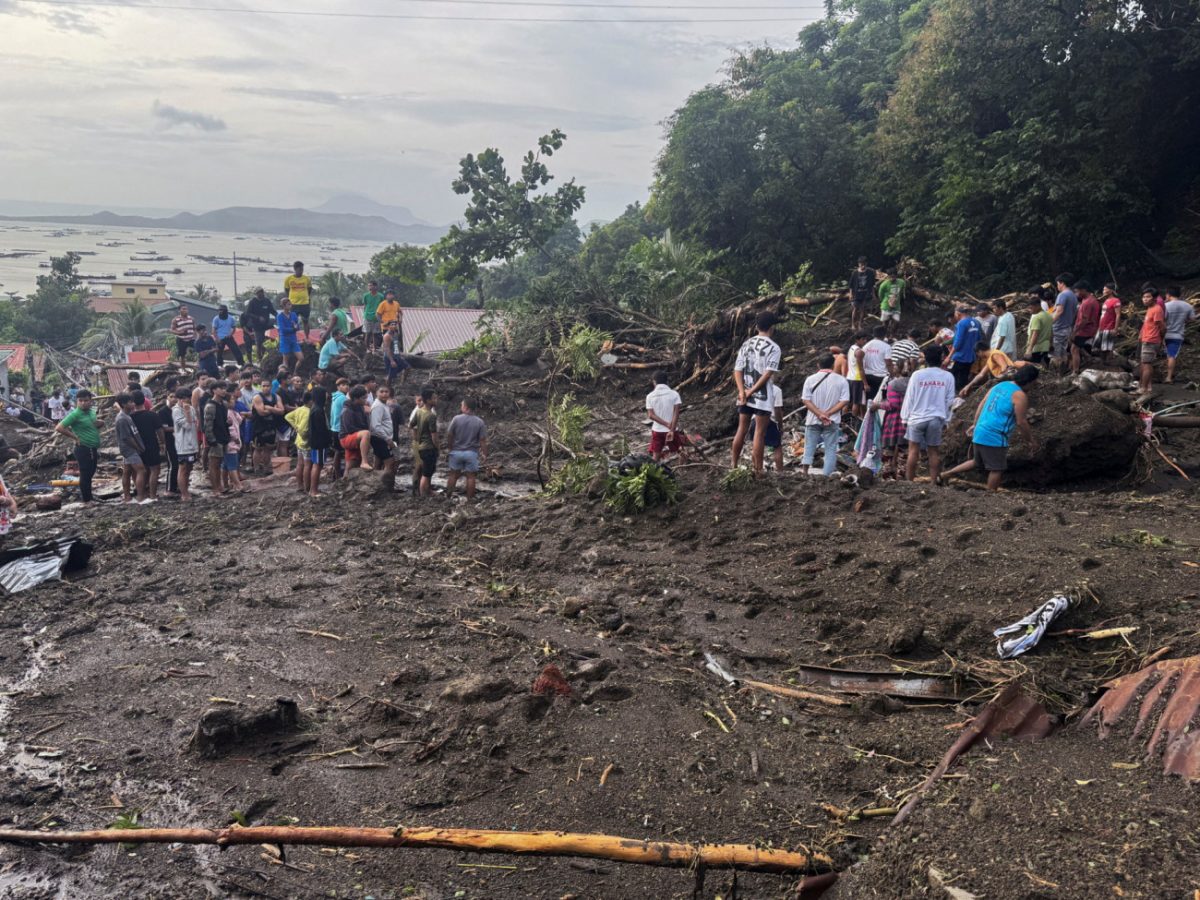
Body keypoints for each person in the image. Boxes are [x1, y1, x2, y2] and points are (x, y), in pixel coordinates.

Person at [942, 365, 1039, 491]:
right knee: (997, 469)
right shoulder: (1019, 396)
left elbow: (982, 404)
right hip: (995, 435)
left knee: (977, 462)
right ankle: (989, 496)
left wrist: (976, 424)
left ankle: (945, 474)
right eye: (1035, 381)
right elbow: (1021, 422)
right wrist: (1030, 441)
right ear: (1030, 380)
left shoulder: (1000, 385)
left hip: (981, 430)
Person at [731, 312, 781, 476]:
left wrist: (742, 391)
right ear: (772, 327)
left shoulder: (746, 344)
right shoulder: (774, 347)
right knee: (759, 433)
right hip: (762, 397)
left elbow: (737, 370)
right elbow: (767, 375)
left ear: (757, 327)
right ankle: (758, 470)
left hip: (744, 394)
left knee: (741, 429)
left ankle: (733, 464)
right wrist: (752, 391)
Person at [902, 346, 955, 484]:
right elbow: (950, 401)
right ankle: (933, 483)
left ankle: (909, 481)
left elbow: (909, 398)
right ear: (942, 358)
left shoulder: (917, 375)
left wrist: (905, 418)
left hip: (916, 418)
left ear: (925, 359)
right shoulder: (948, 376)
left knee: (913, 451)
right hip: (936, 418)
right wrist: (947, 420)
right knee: (933, 451)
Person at [799, 354, 850, 477]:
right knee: (831, 448)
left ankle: (805, 472)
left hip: (813, 419)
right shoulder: (841, 380)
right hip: (832, 420)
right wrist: (828, 414)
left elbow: (806, 400)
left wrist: (819, 414)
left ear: (818, 365)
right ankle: (827, 476)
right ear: (833, 365)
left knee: (809, 446)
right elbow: (845, 400)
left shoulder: (810, 379)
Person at [56, 389, 101, 503]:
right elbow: (59, 427)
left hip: (92, 447)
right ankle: (87, 500)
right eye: (80, 401)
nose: (83, 403)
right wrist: (75, 437)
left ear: (90, 401)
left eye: (86, 400)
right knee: (85, 474)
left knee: (91, 473)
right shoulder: (75, 414)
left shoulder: (91, 412)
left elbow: (93, 424)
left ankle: (89, 496)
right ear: (76, 401)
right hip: (83, 448)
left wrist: (100, 423)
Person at [445, 397, 489, 501]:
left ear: (466, 407)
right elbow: (482, 440)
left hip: (456, 452)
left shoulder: (456, 419)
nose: (461, 407)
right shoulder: (480, 422)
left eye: (461, 405)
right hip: (471, 453)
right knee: (471, 477)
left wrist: (450, 448)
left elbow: (450, 435)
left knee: (453, 476)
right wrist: (485, 454)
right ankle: (469, 500)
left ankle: (448, 497)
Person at [872, 371, 908, 479]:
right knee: (904, 451)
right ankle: (901, 477)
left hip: (893, 422)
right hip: (906, 422)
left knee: (888, 450)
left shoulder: (893, 384)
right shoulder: (914, 383)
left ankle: (887, 477)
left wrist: (877, 405)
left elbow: (892, 404)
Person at [115, 393, 150, 504]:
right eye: (131, 402)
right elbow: (127, 438)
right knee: (141, 470)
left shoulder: (126, 416)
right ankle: (140, 497)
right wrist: (138, 447)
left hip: (128, 449)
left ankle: (127, 497)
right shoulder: (122, 419)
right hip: (129, 449)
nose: (133, 404)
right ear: (124, 404)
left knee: (127, 472)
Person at [130, 389, 163, 500]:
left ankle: (141, 495)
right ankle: (153, 495)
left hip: (137, 447)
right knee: (154, 470)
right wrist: (163, 443)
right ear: (144, 400)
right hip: (152, 445)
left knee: (141, 471)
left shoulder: (130, 418)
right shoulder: (152, 415)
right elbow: (159, 431)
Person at [203, 380, 231, 497]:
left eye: (225, 388)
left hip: (223, 437)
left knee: (219, 463)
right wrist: (212, 440)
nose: (224, 390)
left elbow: (222, 421)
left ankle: (219, 486)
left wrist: (227, 423)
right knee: (214, 464)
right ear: (214, 390)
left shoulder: (223, 404)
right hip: (216, 439)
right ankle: (215, 489)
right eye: (221, 388)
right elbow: (207, 426)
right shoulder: (210, 406)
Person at [645, 372, 682, 461]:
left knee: (656, 454)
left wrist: (666, 424)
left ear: (654, 382)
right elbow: (676, 414)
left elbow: (651, 415)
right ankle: (682, 469)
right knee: (680, 450)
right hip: (672, 430)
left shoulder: (650, 396)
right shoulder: (674, 394)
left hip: (657, 431)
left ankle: (654, 471)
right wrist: (671, 429)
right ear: (667, 381)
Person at [1163, 286, 1196, 384]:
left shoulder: (1165, 306)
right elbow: (1192, 319)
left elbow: (1161, 320)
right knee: (1172, 355)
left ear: (1168, 295)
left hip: (1164, 334)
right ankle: (1169, 377)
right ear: (1179, 295)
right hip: (1177, 335)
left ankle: (1167, 375)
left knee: (1168, 355)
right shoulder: (1187, 306)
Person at [946, 306, 983, 391]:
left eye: (955, 313)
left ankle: (956, 395)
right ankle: (963, 395)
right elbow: (979, 339)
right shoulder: (976, 322)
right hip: (971, 356)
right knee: (964, 376)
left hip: (961, 356)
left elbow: (958, 342)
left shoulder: (961, 323)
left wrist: (949, 356)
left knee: (953, 377)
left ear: (958, 313)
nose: (954, 316)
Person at [172, 387, 199, 502]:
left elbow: (195, 423)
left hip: (192, 443)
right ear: (180, 399)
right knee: (183, 468)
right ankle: (184, 494)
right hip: (183, 445)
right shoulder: (176, 410)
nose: (187, 401)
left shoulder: (191, 408)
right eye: (185, 398)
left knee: (189, 467)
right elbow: (187, 426)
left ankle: (186, 489)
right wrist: (187, 412)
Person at [411, 387, 439, 496]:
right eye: (434, 398)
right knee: (426, 473)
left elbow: (411, 425)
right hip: (428, 447)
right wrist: (437, 447)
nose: (436, 400)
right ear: (428, 400)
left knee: (425, 470)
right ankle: (423, 495)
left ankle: (423, 491)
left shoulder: (419, 412)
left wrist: (418, 437)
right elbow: (434, 436)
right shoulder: (431, 415)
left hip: (421, 446)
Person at [338, 385, 374, 471]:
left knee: (351, 465)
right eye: (363, 398)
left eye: (366, 398)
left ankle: (344, 481)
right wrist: (364, 432)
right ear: (355, 398)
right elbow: (349, 429)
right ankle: (364, 462)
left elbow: (366, 424)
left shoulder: (360, 408)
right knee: (366, 433)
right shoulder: (347, 411)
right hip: (346, 438)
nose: (365, 400)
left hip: (356, 436)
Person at [1139, 287, 1167, 394]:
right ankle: (1147, 387)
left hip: (1151, 340)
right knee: (1146, 363)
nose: (1145, 299)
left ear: (1154, 298)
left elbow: (1163, 327)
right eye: (1144, 297)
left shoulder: (1157, 309)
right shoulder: (1150, 308)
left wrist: (1160, 339)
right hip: (1147, 339)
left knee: (1146, 364)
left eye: (1148, 297)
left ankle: (1143, 388)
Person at [306, 388, 333, 497]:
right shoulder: (318, 411)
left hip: (316, 442)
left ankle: (313, 489)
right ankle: (313, 491)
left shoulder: (317, 408)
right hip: (319, 443)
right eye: (325, 395)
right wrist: (328, 438)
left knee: (317, 464)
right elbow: (321, 429)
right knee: (317, 465)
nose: (327, 397)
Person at [369, 386, 398, 486]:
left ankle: (374, 484)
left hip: (381, 437)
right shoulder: (378, 406)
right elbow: (375, 426)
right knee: (390, 462)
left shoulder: (384, 405)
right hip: (380, 438)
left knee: (378, 461)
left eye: (386, 391)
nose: (384, 394)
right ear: (376, 393)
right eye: (381, 392)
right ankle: (388, 487)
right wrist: (387, 439)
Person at [1071, 281, 1099, 376]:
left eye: (1077, 291)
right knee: (1077, 346)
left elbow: (1084, 320)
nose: (1076, 294)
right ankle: (1088, 357)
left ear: (1083, 290)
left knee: (1074, 349)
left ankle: (1075, 371)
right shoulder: (1091, 299)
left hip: (1085, 330)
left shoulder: (1087, 302)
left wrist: (1075, 331)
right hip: (1090, 328)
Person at [1050, 273, 1078, 370]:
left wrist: (1049, 323)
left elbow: (1059, 311)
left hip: (1059, 328)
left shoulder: (1062, 295)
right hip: (1068, 327)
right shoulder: (1073, 295)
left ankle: (1059, 374)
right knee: (1064, 352)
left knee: (1058, 354)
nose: (1057, 285)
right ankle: (1064, 372)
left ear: (1062, 283)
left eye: (1057, 283)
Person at [243, 288, 275, 365]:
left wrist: (278, 316)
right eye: (258, 293)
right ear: (256, 294)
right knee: (259, 342)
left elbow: (272, 310)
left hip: (266, 325)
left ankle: (266, 356)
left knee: (267, 341)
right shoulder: (253, 302)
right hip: (257, 325)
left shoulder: (267, 301)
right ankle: (259, 359)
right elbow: (248, 313)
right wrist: (258, 317)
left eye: (261, 292)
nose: (260, 294)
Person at [1094, 283, 1122, 365]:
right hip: (1102, 327)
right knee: (1101, 347)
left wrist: (1115, 329)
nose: (1103, 291)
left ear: (1111, 290)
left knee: (1108, 347)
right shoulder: (1106, 300)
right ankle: (1103, 363)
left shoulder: (1116, 301)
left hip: (1109, 327)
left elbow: (1118, 315)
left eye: (1105, 289)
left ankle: (1108, 364)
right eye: (1103, 289)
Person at [283, 261, 312, 343]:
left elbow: (309, 289)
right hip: (293, 304)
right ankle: (293, 338)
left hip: (304, 304)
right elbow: (287, 290)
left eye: (302, 269)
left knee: (305, 321)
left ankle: (307, 337)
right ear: (295, 269)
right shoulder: (288, 279)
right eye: (300, 269)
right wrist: (292, 299)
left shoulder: (306, 279)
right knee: (293, 322)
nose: (301, 271)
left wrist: (305, 297)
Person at [862, 326, 893, 401]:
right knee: (880, 400)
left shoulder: (866, 346)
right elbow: (888, 363)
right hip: (881, 377)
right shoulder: (886, 347)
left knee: (869, 399)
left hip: (867, 375)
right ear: (884, 334)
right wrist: (892, 374)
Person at [848, 257, 875, 332]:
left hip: (865, 294)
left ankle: (860, 324)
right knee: (855, 309)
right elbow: (851, 285)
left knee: (863, 309)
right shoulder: (855, 273)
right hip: (856, 294)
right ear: (858, 264)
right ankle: (853, 324)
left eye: (864, 264)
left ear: (866, 264)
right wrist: (850, 294)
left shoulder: (870, 272)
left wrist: (873, 294)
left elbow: (872, 285)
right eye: (861, 264)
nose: (862, 266)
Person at [276, 299, 302, 373]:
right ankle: (284, 375)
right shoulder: (280, 316)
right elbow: (282, 329)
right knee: (285, 361)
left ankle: (295, 372)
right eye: (288, 304)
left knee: (301, 358)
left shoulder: (293, 314)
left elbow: (298, 327)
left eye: (290, 304)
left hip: (293, 339)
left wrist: (295, 328)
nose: (290, 306)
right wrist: (293, 329)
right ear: (283, 306)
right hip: (285, 340)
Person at [382, 320, 410, 389]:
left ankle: (402, 383)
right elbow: (387, 348)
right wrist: (391, 361)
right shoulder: (387, 336)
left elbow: (396, 345)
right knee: (391, 376)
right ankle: (387, 388)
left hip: (397, 356)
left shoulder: (395, 334)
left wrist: (400, 354)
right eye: (392, 324)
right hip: (390, 357)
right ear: (388, 326)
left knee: (407, 367)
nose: (394, 326)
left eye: (395, 324)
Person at [1026, 297, 1053, 364]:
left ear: (1037, 306)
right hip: (1046, 347)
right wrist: (1051, 344)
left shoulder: (1037, 318)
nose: (1030, 310)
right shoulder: (1049, 316)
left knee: (1030, 368)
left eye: (1031, 308)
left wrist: (1029, 349)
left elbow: (1035, 334)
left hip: (1036, 348)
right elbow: (1051, 332)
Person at [846, 332, 868, 416]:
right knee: (856, 402)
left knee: (848, 401)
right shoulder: (859, 352)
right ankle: (854, 421)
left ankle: (844, 420)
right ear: (857, 340)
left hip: (849, 377)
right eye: (863, 339)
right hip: (857, 379)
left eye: (866, 339)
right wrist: (865, 384)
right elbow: (861, 369)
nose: (865, 341)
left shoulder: (852, 347)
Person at [878, 269, 904, 338]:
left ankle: (892, 335)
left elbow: (901, 292)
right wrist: (886, 301)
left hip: (896, 306)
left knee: (896, 322)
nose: (892, 278)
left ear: (896, 276)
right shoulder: (884, 284)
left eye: (894, 277)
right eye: (890, 277)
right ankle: (885, 336)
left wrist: (897, 300)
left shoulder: (901, 282)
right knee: (885, 323)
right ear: (888, 276)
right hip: (886, 306)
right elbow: (880, 295)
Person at [362, 280, 385, 352]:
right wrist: (365, 314)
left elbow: (382, 307)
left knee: (375, 334)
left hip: (377, 317)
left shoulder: (381, 296)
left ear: (375, 286)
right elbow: (365, 305)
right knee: (367, 333)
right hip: (368, 317)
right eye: (369, 285)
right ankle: (367, 348)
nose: (369, 287)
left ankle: (374, 348)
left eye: (371, 285)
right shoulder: (366, 295)